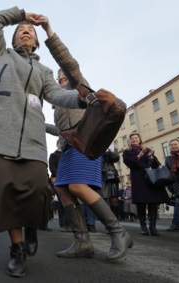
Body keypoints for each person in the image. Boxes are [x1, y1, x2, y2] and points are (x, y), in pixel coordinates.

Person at [0, 7, 91, 278]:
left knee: (39, 190)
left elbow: (57, 95)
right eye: (21, 30)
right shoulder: (2, 54)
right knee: (7, 193)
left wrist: (80, 99)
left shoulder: (45, 70)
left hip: (32, 138)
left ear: (36, 42)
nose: (26, 31)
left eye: (30, 31)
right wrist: (22, 14)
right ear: (12, 40)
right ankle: (17, 249)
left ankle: (31, 224)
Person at [43, 19, 132, 259]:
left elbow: (69, 63)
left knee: (78, 187)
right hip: (69, 146)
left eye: (63, 75)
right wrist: (39, 125)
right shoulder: (58, 103)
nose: (61, 77)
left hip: (87, 142)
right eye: (58, 78)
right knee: (61, 188)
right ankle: (82, 241)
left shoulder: (79, 89)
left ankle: (118, 232)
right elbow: (61, 129)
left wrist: (50, 33)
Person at [123, 133, 169, 236]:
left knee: (153, 202)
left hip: (150, 178)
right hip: (138, 177)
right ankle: (143, 227)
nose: (134, 140)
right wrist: (139, 156)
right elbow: (129, 164)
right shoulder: (127, 152)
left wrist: (151, 158)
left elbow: (156, 164)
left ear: (140, 139)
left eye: (136, 138)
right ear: (129, 141)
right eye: (132, 139)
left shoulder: (147, 149)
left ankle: (153, 227)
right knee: (141, 202)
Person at [49, 140, 70, 232]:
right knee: (62, 203)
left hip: (69, 180)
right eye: (60, 143)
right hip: (59, 181)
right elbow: (52, 168)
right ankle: (63, 224)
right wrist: (62, 175)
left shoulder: (68, 154)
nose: (61, 145)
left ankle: (69, 224)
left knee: (69, 203)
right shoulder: (53, 155)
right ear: (57, 144)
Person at [102, 148, 121, 220]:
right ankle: (107, 222)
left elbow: (116, 158)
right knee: (102, 200)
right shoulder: (94, 144)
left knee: (114, 200)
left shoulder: (111, 146)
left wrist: (109, 150)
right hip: (98, 174)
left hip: (110, 175)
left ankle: (115, 221)